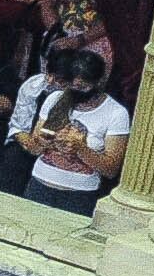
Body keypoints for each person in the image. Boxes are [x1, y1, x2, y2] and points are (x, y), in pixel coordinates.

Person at [12, 45, 128, 213]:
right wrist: (42, 141)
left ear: (98, 83)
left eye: (82, 87)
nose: (76, 91)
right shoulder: (55, 99)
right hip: (40, 183)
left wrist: (80, 148)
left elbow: (110, 169)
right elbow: (33, 148)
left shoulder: (116, 113)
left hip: (79, 195)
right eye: (72, 86)